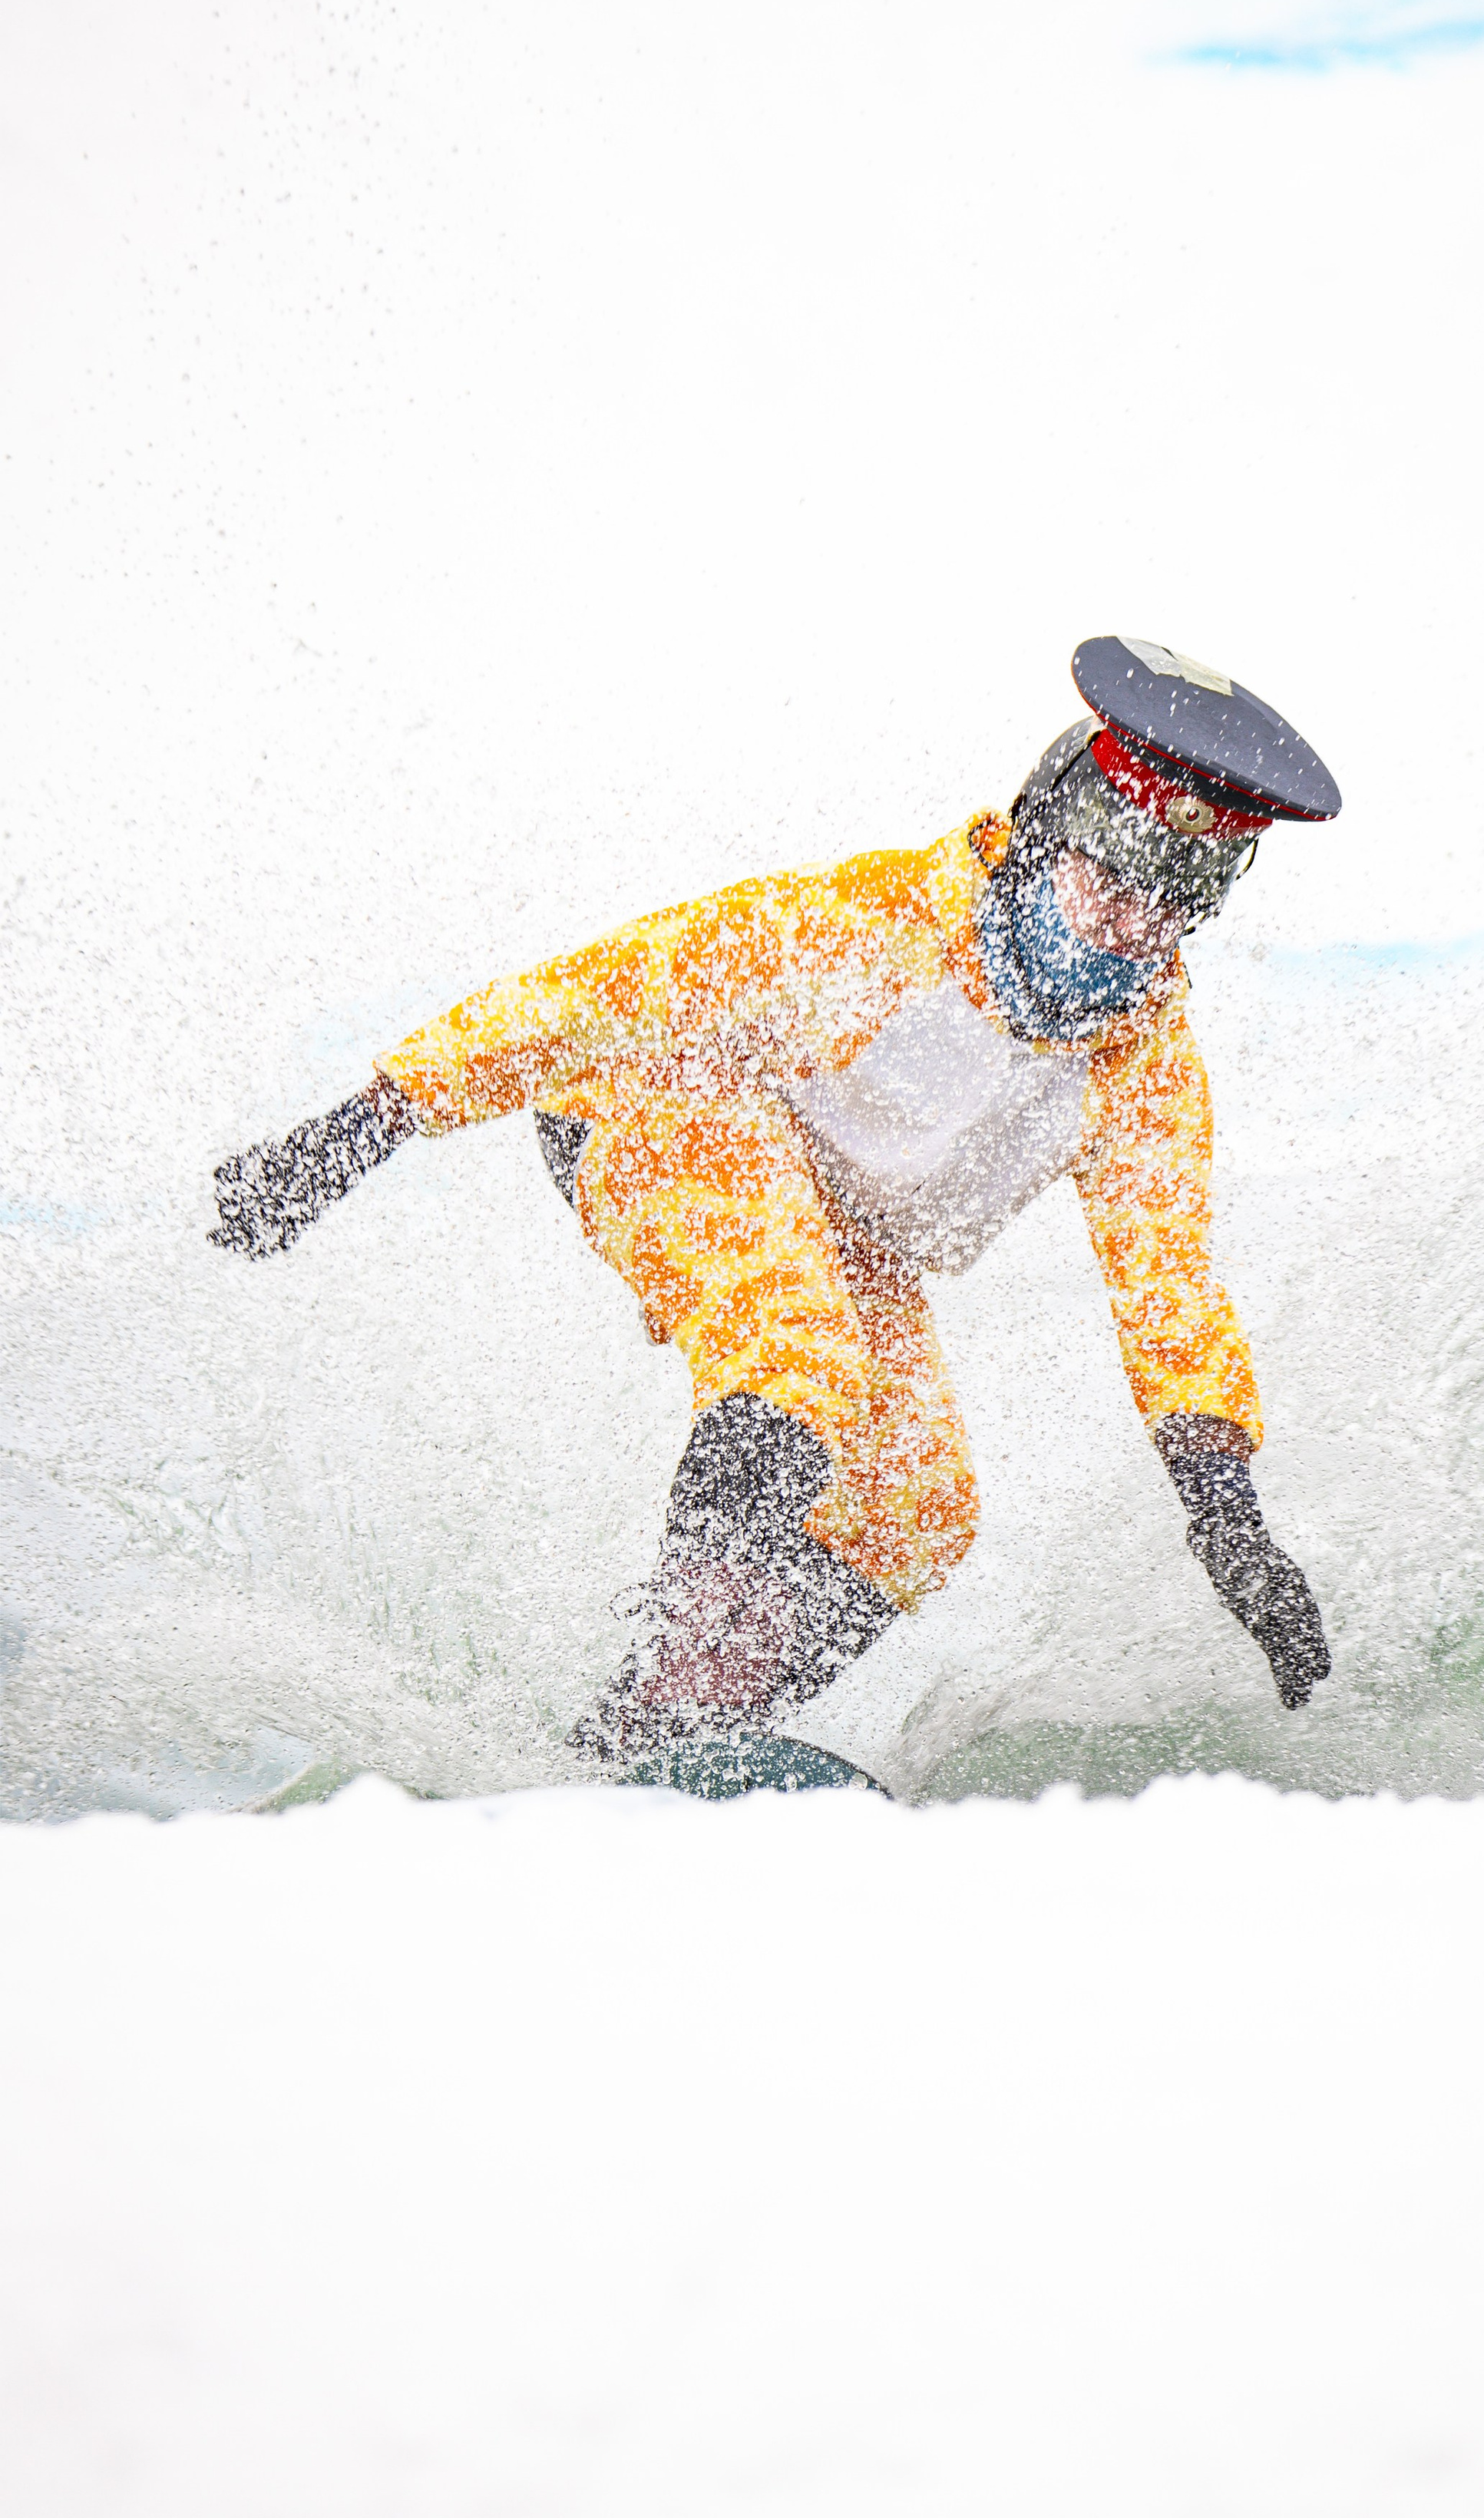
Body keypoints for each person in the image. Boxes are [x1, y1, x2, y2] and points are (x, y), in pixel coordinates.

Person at [210, 636, 1342, 1782]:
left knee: (919, 1508)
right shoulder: (876, 921)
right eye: (1114, 865)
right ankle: (691, 1638)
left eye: (1179, 891)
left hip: (836, 1219)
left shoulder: (1144, 1068)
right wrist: (355, 1132)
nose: (1128, 917)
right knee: (795, 1354)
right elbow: (597, 991)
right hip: (662, 1104)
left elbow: (1171, 1289)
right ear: (1051, 822)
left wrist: (1226, 1514)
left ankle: (637, 1735)